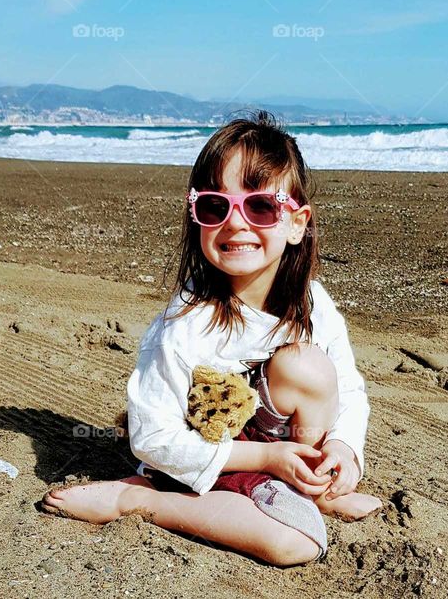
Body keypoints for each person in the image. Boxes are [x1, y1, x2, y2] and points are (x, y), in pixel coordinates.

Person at [42, 111, 382, 566]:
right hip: (199, 458)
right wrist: (264, 459)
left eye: (261, 206)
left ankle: (308, 486)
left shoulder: (312, 303)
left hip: (271, 445)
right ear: (197, 217)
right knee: (296, 544)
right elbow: (152, 437)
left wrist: (341, 449)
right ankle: (137, 500)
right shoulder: (186, 323)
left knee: (310, 367)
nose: (236, 223)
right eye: (215, 207)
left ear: (297, 223)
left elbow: (349, 389)